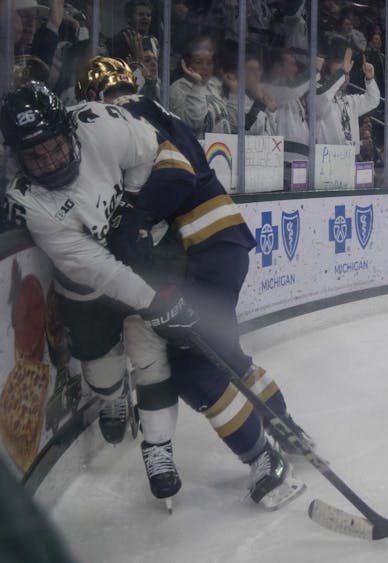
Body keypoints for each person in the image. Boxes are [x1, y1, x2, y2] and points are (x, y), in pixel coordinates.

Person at [2, 79, 301, 511]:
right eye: (35, 156)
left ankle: (264, 459)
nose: (49, 163)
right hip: (189, 253)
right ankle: (285, 426)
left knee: (194, 367)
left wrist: (132, 216)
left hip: (200, 245)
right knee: (219, 353)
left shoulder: (107, 121)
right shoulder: (35, 198)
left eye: (54, 147)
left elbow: (170, 167)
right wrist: (156, 299)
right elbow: (99, 267)